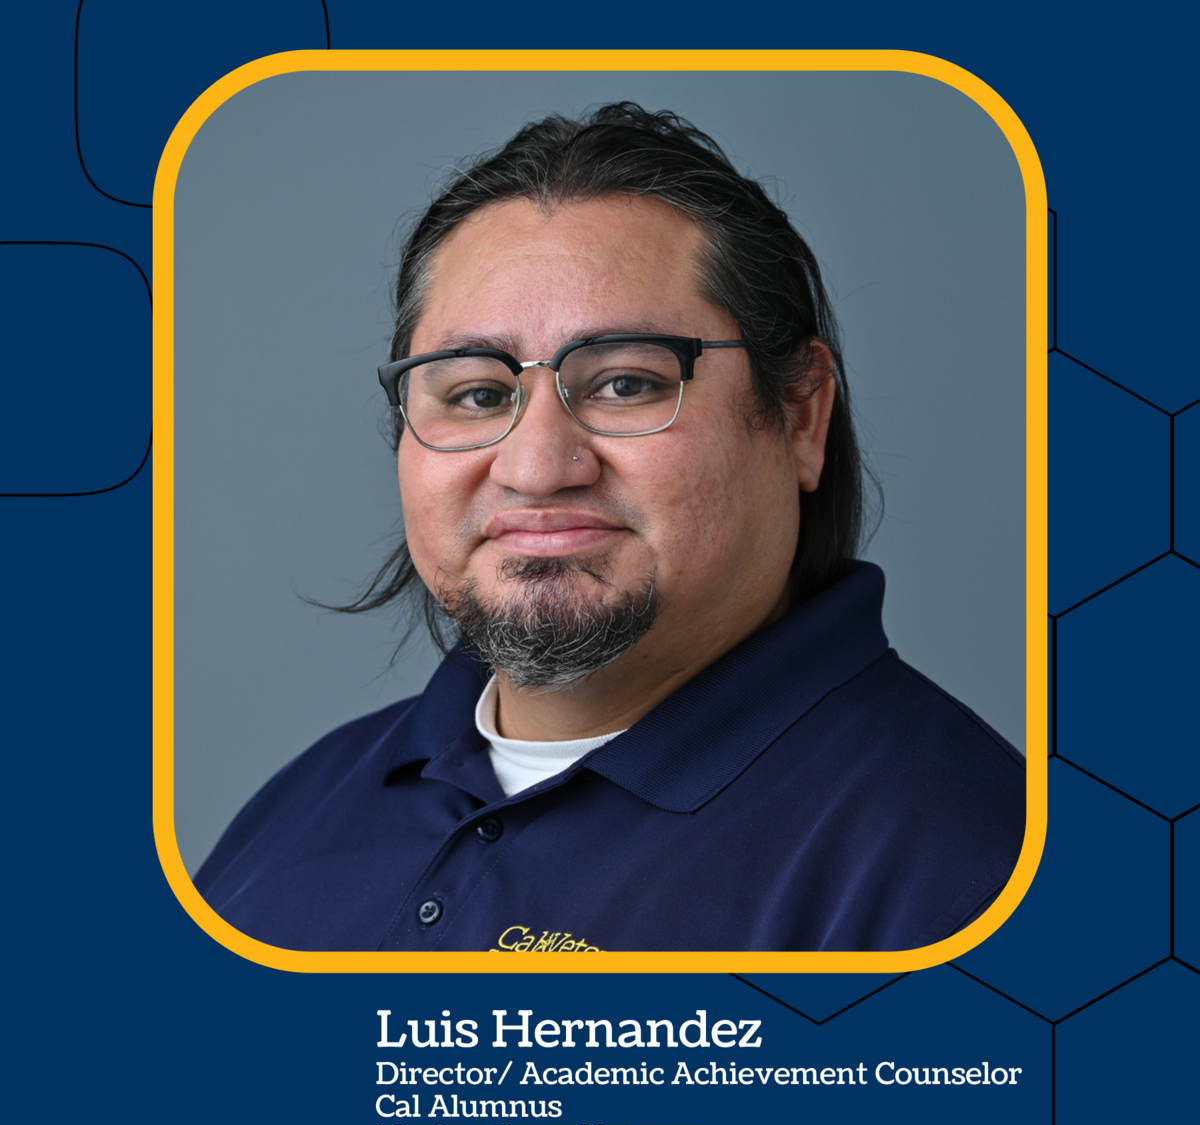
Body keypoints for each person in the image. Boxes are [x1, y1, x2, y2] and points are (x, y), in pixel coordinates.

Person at [195, 103, 1024, 953]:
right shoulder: (300, 808)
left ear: (801, 416)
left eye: (626, 384)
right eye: (478, 394)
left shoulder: (963, 873)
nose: (536, 465)